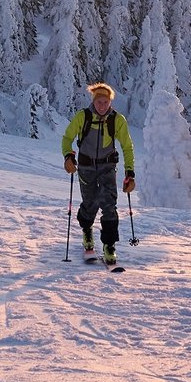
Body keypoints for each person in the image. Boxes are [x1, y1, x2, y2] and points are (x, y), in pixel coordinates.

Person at [62, 82, 136, 265]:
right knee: (90, 203)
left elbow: (127, 147)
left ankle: (109, 245)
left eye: (105, 102)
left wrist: (130, 173)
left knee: (109, 205)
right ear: (94, 101)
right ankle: (87, 232)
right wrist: (68, 157)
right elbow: (67, 138)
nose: (102, 105)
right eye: (99, 102)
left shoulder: (117, 120)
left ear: (110, 102)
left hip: (108, 167)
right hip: (86, 168)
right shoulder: (83, 117)